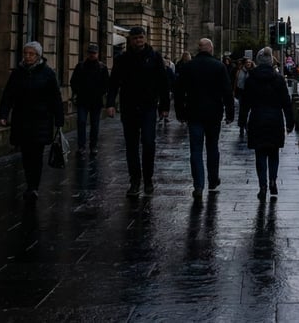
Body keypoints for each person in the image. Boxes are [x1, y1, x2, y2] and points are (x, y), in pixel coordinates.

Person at [107, 26, 170, 197]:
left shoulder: (155, 57)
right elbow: (114, 82)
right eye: (135, 38)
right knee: (131, 145)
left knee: (149, 143)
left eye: (141, 37)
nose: (138, 41)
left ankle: (148, 179)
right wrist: (110, 103)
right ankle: (134, 180)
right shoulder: (122, 59)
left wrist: (165, 106)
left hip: (149, 107)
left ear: (145, 38)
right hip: (129, 107)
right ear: (130, 40)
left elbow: (163, 83)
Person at [0, 41, 65, 204]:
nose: (28, 56)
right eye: (25, 53)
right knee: (26, 154)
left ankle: (33, 186)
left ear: (38, 56)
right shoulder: (17, 73)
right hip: (21, 119)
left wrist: (59, 119)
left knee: (36, 154)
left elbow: (55, 97)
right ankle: (30, 184)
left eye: (31, 54)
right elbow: (8, 95)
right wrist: (3, 114)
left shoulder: (48, 73)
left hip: (41, 119)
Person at [174, 38, 234, 199]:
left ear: (199, 49)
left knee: (196, 150)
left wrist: (180, 112)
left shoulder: (188, 67)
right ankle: (213, 180)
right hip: (213, 113)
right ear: (211, 49)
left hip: (194, 113)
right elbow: (227, 92)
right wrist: (230, 113)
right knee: (212, 147)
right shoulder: (219, 66)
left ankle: (198, 185)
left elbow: (179, 92)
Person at [243, 47, 295, 200]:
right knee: (273, 153)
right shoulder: (278, 79)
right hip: (275, 120)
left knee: (260, 154)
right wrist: (290, 122)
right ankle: (272, 179)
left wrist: (242, 120)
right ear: (271, 61)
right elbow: (286, 102)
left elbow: (245, 102)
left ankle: (263, 185)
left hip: (257, 119)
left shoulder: (251, 78)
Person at [70, 43, 109, 155]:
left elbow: (106, 84)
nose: (92, 55)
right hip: (83, 100)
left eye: (94, 53)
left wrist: (100, 92)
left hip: (96, 101)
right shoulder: (81, 66)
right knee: (81, 122)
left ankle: (93, 146)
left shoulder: (102, 68)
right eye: (90, 53)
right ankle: (81, 146)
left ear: (97, 54)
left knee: (95, 124)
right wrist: (78, 91)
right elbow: (73, 81)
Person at [235, 58, 253, 137]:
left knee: (251, 111)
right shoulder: (240, 71)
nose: (248, 63)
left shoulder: (253, 71)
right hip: (242, 93)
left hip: (250, 94)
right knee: (243, 111)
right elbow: (236, 82)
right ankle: (242, 127)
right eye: (247, 62)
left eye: (249, 62)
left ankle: (248, 125)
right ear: (244, 63)